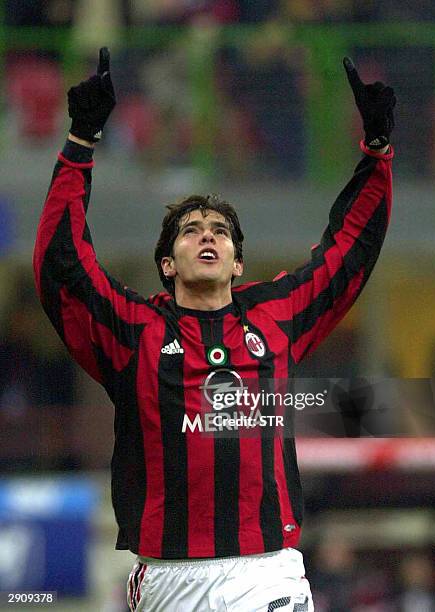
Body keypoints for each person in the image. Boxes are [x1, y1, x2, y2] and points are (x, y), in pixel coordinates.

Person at [33, 47, 395, 612]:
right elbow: (63, 268)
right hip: (170, 579)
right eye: (191, 229)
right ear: (168, 264)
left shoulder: (276, 316)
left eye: (221, 231)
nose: (209, 235)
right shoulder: (135, 330)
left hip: (267, 569)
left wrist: (377, 154)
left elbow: (349, 252)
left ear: (237, 262)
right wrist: (80, 143)